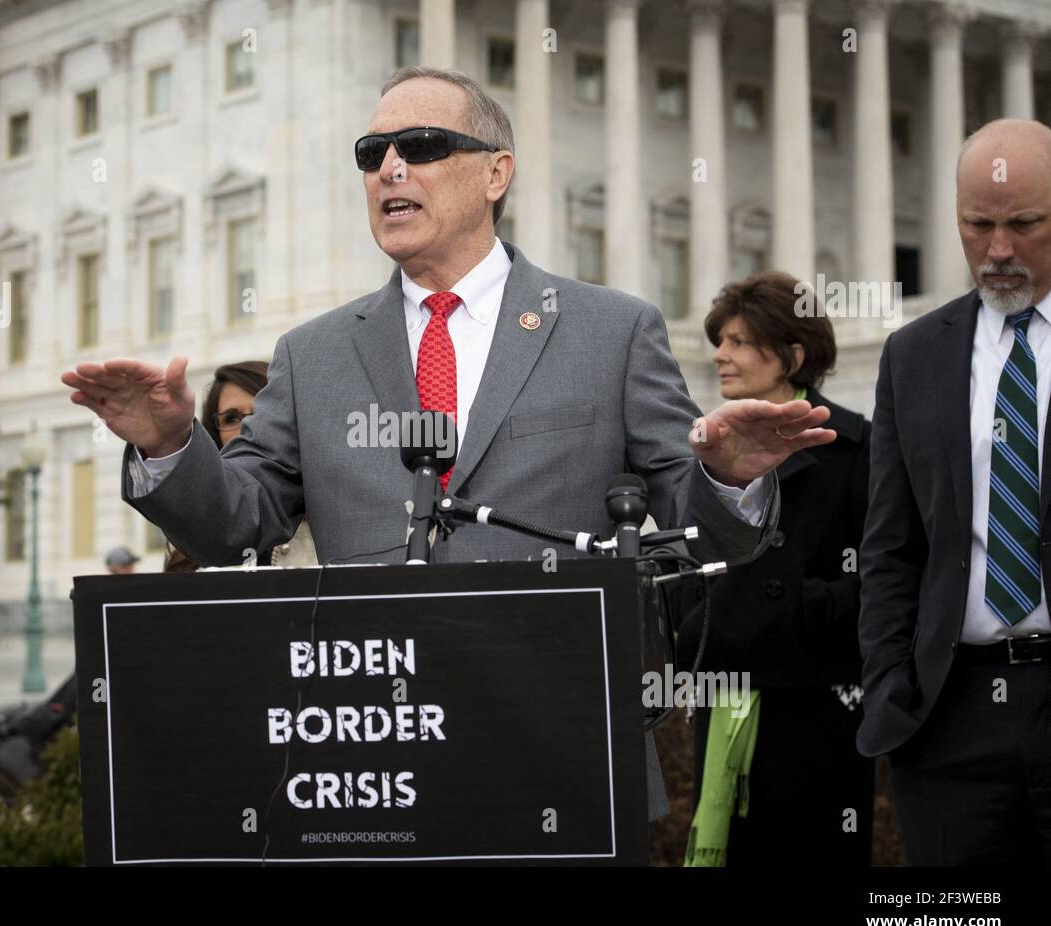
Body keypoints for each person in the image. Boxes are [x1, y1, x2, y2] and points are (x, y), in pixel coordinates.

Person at [64, 66, 834, 819]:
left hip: (558, 756)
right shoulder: (313, 354)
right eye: (372, 153)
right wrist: (170, 446)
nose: (389, 167)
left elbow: (688, 524)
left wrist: (729, 480)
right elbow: (237, 523)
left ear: (496, 173)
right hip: (372, 765)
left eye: (423, 144)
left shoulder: (612, 331)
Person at [859, 117, 1051, 865]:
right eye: (978, 225)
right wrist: (890, 689)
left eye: (1025, 225)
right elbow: (889, 547)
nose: (998, 250)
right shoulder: (913, 355)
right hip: (949, 718)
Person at [677, 271, 873, 866]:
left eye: (738, 341)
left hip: (816, 706)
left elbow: (884, 574)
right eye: (721, 340)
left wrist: (802, 609)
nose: (719, 354)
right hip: (726, 689)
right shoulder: (709, 444)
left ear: (792, 354)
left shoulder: (855, 446)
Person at [163, 360, 317, 571]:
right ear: (214, 436)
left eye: (259, 415)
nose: (246, 426)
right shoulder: (192, 527)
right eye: (231, 418)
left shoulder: (329, 520)